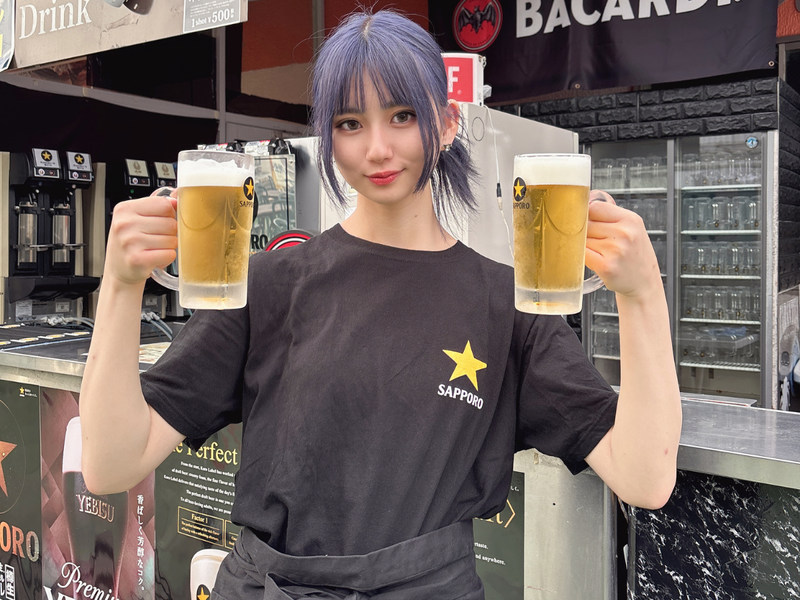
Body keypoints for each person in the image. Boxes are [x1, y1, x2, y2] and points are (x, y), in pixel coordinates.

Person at [80, 9, 681, 599]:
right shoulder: (268, 284)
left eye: (402, 116)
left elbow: (644, 479)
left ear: (447, 123)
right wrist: (121, 285)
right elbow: (110, 465)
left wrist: (641, 294)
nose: (377, 148)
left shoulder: (508, 304)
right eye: (349, 123)